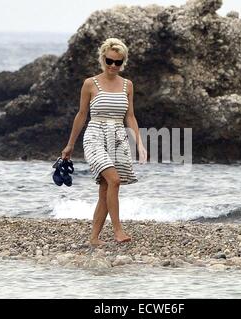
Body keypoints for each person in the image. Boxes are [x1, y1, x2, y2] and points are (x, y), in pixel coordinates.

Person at [61, 38, 147, 246]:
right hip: (95, 135)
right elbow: (82, 115)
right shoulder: (90, 84)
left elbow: (131, 116)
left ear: (123, 62)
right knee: (114, 180)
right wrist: (70, 144)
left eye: (118, 62)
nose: (113, 66)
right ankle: (118, 230)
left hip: (118, 136)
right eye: (109, 61)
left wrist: (140, 143)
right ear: (102, 58)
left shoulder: (128, 85)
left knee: (105, 189)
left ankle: (94, 239)